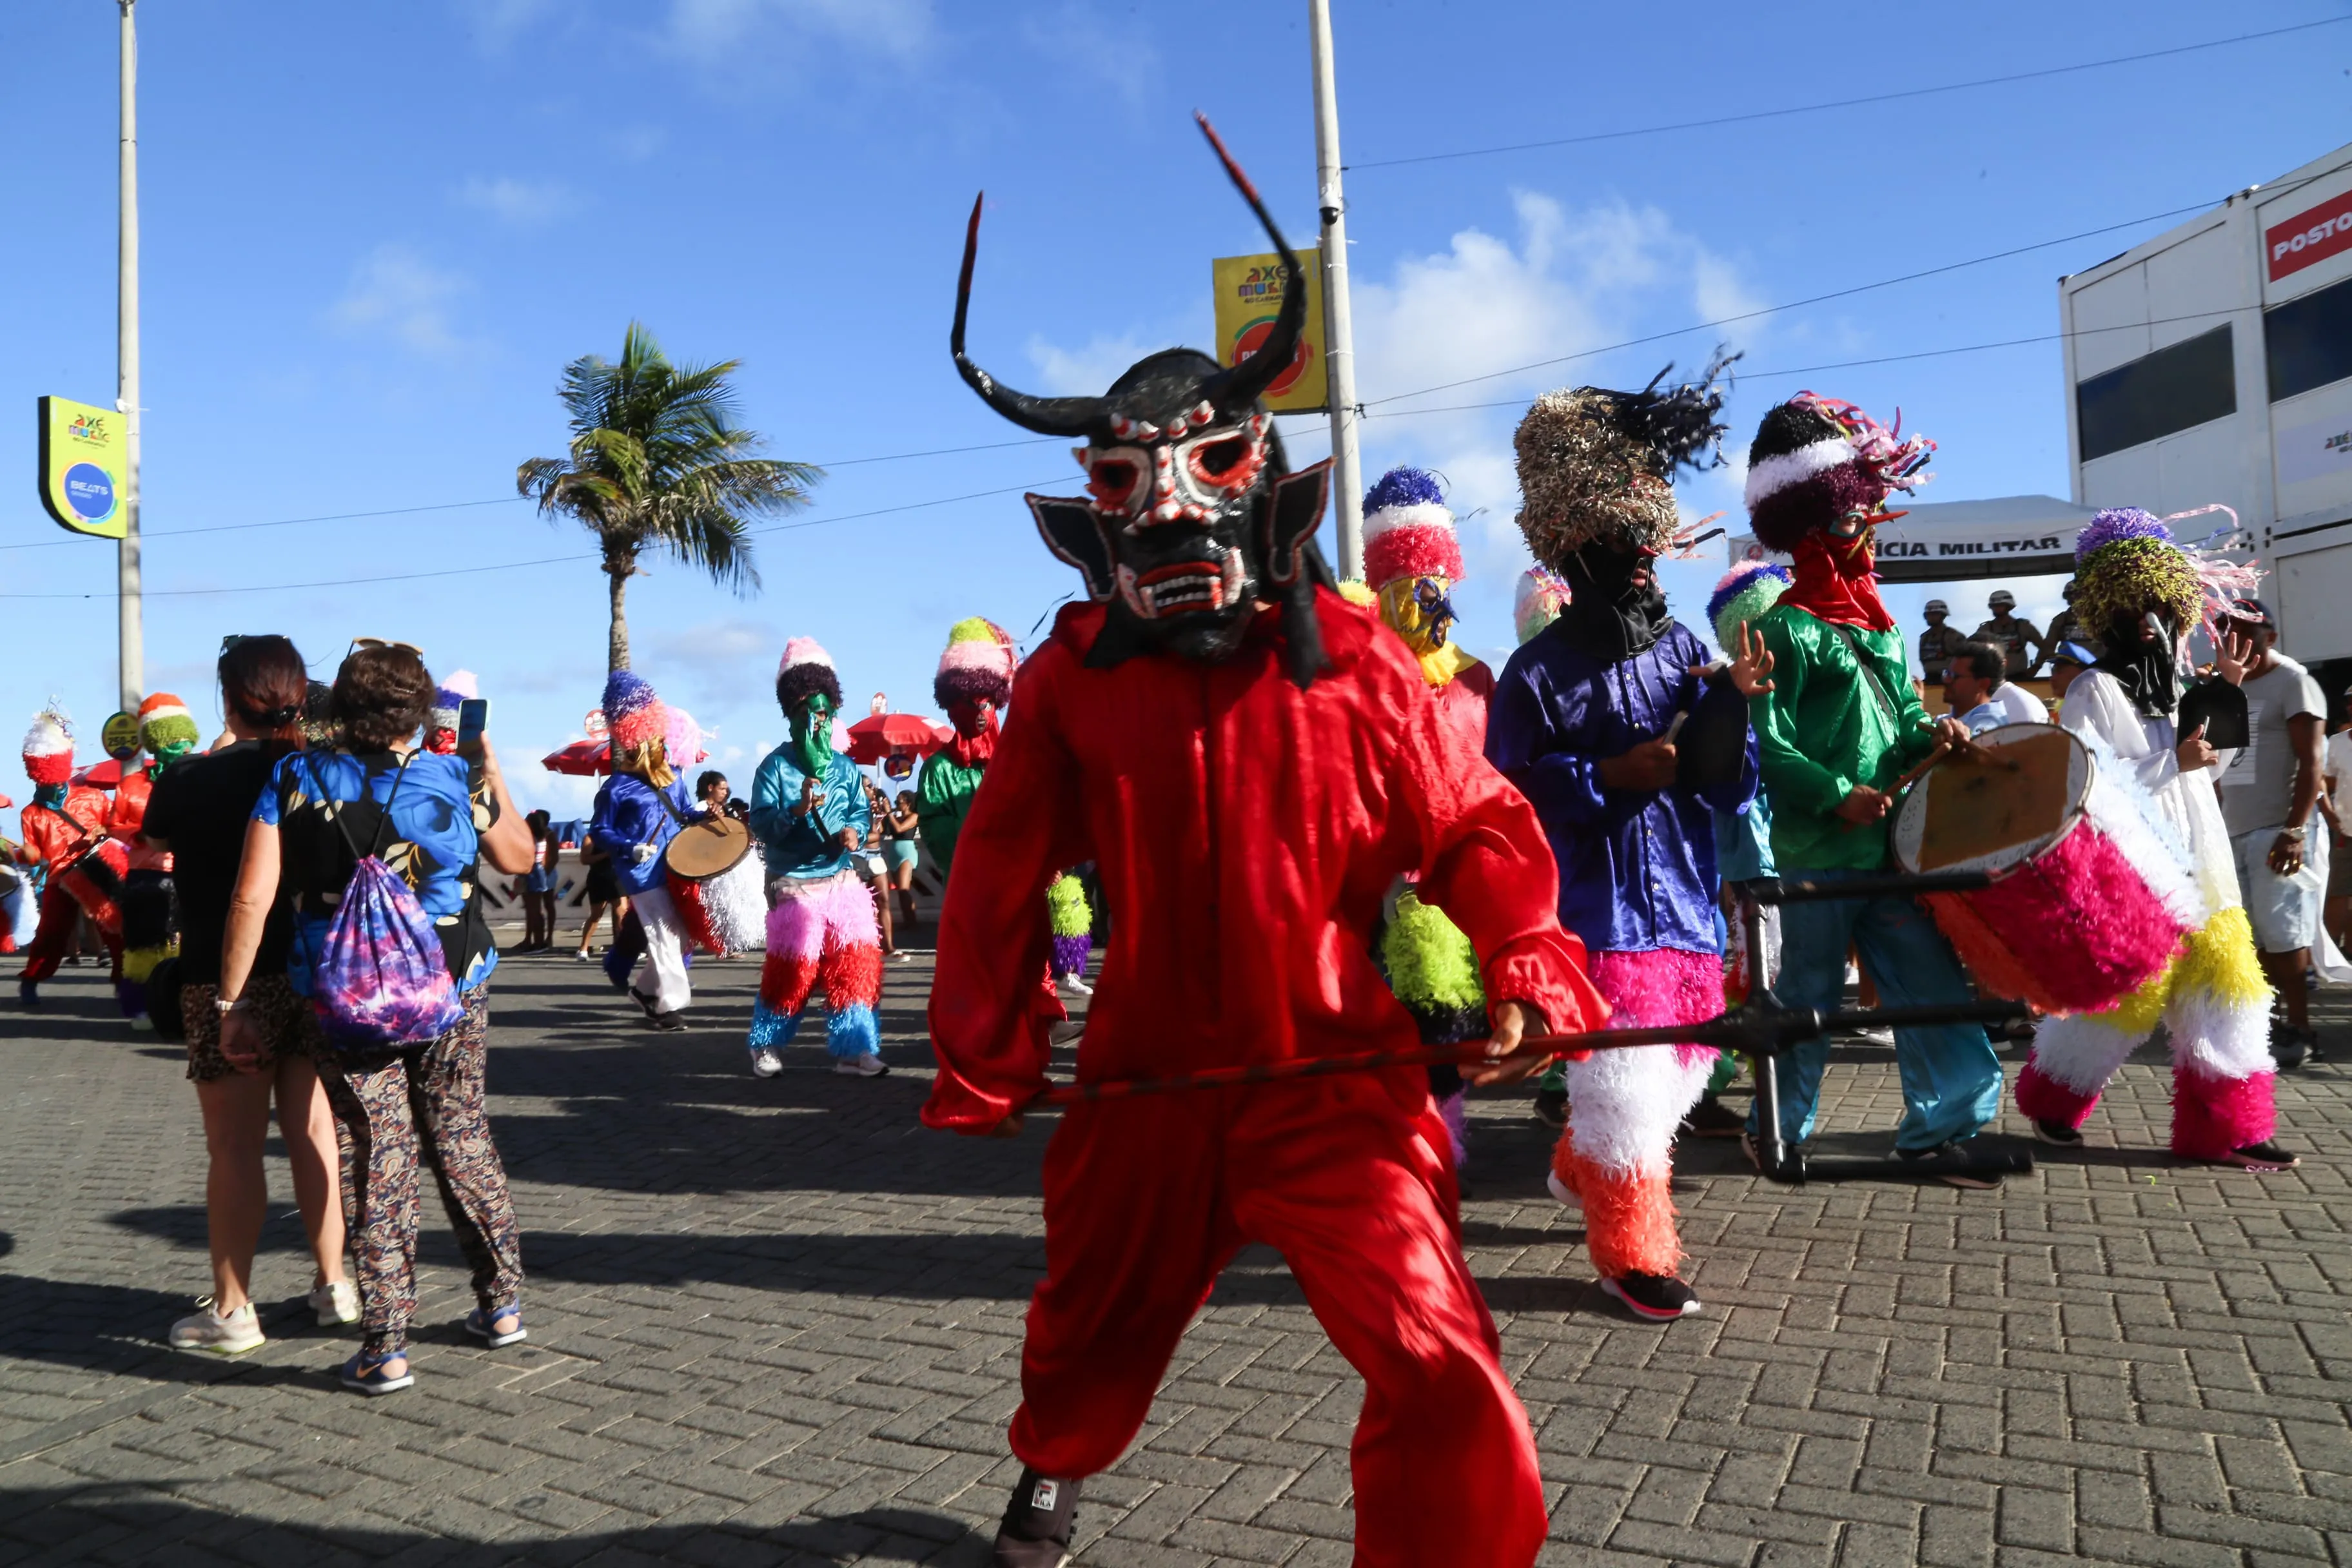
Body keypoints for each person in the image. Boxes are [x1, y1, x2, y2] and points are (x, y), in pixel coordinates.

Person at [928, 132, 1607, 1568]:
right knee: (1085, 1337)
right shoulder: (1070, 681)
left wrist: (1528, 965)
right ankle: (1054, 1461)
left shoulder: (1360, 665)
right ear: (1090, 506)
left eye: (1212, 463)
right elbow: (995, 869)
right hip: (1147, 1084)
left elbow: (1481, 818)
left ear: (1266, 478)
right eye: (1124, 483)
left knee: (1440, 1355)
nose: (1170, 507)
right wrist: (987, 1049)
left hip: (1339, 1086)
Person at [1486, 365, 1765, 1322]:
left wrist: (1732, 709)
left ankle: (1577, 1164)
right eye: (1619, 544)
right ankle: (1632, 1254)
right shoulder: (1532, 674)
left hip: (1686, 906)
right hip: (1591, 917)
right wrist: (1606, 776)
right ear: (1574, 546)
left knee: (1680, 1072)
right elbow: (1505, 797)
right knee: (1629, 1096)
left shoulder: (1690, 650)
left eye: (1648, 543)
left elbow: (1732, 781)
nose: (1642, 560)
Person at [217, 642, 536, 1394]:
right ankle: (501, 1304)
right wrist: (488, 762)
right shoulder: (455, 775)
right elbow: (518, 858)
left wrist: (234, 1004)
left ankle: (386, 1344)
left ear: (343, 709)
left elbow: (252, 898)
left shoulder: (295, 777)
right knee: (461, 1133)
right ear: (421, 711)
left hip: (346, 996)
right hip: (451, 988)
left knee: (379, 1153)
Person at [1738, 391, 2005, 1186]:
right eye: (1855, 521)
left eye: (1870, 517)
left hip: (1890, 849)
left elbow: (1899, 726)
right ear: (1815, 531)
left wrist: (1939, 734)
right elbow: (1771, 748)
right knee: (1810, 997)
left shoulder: (1881, 627)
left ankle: (1943, 1128)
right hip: (1820, 852)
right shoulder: (1784, 629)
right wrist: (1835, 792)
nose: (1868, 535)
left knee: (1929, 987)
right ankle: (1777, 1129)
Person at [2012, 510, 2295, 1166]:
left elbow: (2221, 764)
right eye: (2133, 607)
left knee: (2232, 987)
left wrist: (2225, 690)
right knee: (2124, 999)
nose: (2148, 619)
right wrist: (2175, 761)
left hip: (2206, 862)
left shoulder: (2180, 689)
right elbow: (2086, 779)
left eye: (2160, 607)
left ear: (2178, 612)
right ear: (2105, 610)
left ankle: (2231, 1128)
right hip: (2139, 872)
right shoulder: (2093, 687)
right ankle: (2053, 1096)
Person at [144, 636, 355, 1354]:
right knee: (314, 1131)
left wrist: (220, 744)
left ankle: (234, 1309)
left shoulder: (190, 780)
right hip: (311, 972)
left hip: (222, 975)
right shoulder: (325, 774)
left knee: (233, 1148)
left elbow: (154, 839)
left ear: (229, 698)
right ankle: (335, 1283)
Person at [1351, 466, 1495, 1177]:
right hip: (1369, 876)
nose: (1421, 601)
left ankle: (1440, 1145)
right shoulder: (1359, 669)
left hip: (1446, 880)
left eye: (1432, 586)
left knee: (1444, 1021)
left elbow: (1495, 778)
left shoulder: (1475, 677)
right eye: (1404, 588)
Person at [746, 638, 887, 1079]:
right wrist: (797, 811)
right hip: (794, 882)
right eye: (807, 709)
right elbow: (762, 825)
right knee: (795, 969)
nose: (816, 718)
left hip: (841, 881)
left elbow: (860, 813)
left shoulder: (845, 768)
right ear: (791, 713)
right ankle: (765, 1045)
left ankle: (854, 1049)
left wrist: (855, 832)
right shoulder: (774, 768)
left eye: (823, 710)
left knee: (858, 964)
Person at [2216, 597, 2331, 1067]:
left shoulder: (2294, 682)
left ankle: (2300, 1027)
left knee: (2284, 935)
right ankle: (2267, 1021)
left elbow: (2313, 762)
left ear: (2271, 638)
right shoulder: (2229, 687)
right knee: (2252, 936)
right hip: (2233, 829)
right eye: (2228, 630)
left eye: (2247, 630)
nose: (2236, 638)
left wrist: (2295, 830)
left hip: (2277, 828)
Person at [587, 671, 695, 1030]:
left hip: (676, 866)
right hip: (640, 875)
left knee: (681, 935)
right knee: (665, 934)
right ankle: (667, 1006)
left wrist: (708, 815)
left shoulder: (674, 777)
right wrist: (629, 848)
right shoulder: (616, 788)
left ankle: (646, 992)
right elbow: (599, 830)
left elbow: (686, 809)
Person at [14, 704, 126, 1010]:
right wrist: (28, 854)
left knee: (115, 932)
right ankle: (31, 980)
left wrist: (102, 829)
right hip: (59, 880)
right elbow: (34, 855)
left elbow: (116, 825)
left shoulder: (91, 797)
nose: (48, 785)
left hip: (94, 873)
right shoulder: (31, 813)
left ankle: (124, 983)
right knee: (50, 934)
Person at [111, 692, 202, 1026]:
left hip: (188, 872)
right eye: (170, 739)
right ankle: (139, 1007)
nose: (177, 746)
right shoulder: (131, 785)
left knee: (186, 944)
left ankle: (182, 1005)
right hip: (144, 876)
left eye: (182, 739)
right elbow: (113, 826)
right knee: (142, 945)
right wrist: (138, 833)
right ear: (155, 742)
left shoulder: (198, 776)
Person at [915, 618, 1019, 887]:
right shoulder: (938, 769)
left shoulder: (1018, 759)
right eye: (970, 703)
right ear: (953, 707)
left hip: (1023, 884)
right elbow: (936, 833)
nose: (980, 712)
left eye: (987, 702)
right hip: (971, 888)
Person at [1943, 641, 2050, 732]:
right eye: (1947, 673)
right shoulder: (1945, 719)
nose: (1946, 680)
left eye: (1954, 676)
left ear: (1982, 684)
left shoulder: (1990, 728)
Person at [2324, 689, 2352, 954]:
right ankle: (2332, 949)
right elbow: (2327, 782)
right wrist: (2329, 812)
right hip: (2345, 830)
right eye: (2351, 702)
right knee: (2339, 892)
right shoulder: (2337, 742)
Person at [1970, 588, 2046, 682]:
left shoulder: (2023, 626)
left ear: (2009, 606)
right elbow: (1970, 650)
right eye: (1994, 606)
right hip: (1994, 679)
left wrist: (2036, 667)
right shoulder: (1986, 629)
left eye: (2000, 605)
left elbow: (2045, 648)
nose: (1996, 608)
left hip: (2021, 678)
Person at [880, 785, 923, 934]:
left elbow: (900, 829)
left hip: (907, 853)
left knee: (905, 890)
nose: (896, 805)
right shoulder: (895, 817)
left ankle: (912, 920)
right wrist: (882, 814)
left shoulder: (914, 816)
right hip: (894, 853)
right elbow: (884, 831)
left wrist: (889, 813)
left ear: (908, 803)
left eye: (899, 802)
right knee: (900, 891)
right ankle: (907, 920)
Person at [2038, 579, 2099, 672]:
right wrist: (2037, 666)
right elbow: (2048, 647)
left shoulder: (2100, 617)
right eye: (2070, 595)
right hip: (2072, 667)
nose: (2074, 598)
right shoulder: (2061, 620)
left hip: (2098, 666)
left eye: (2077, 594)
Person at [516, 809, 554, 952]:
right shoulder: (544, 836)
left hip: (532, 871)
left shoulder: (531, 838)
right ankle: (539, 941)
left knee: (534, 909)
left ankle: (538, 942)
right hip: (538, 872)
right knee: (537, 909)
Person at [1916, 599, 1963, 689]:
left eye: (1934, 614)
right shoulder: (1924, 638)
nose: (1931, 617)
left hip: (1949, 682)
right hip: (1929, 680)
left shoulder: (1953, 636)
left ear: (1943, 616)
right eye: (1929, 615)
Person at [2047, 639, 2098, 707]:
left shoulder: (2097, 709)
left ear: (2083, 674)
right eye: (2053, 671)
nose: (2052, 679)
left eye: (2060, 671)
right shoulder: (2062, 710)